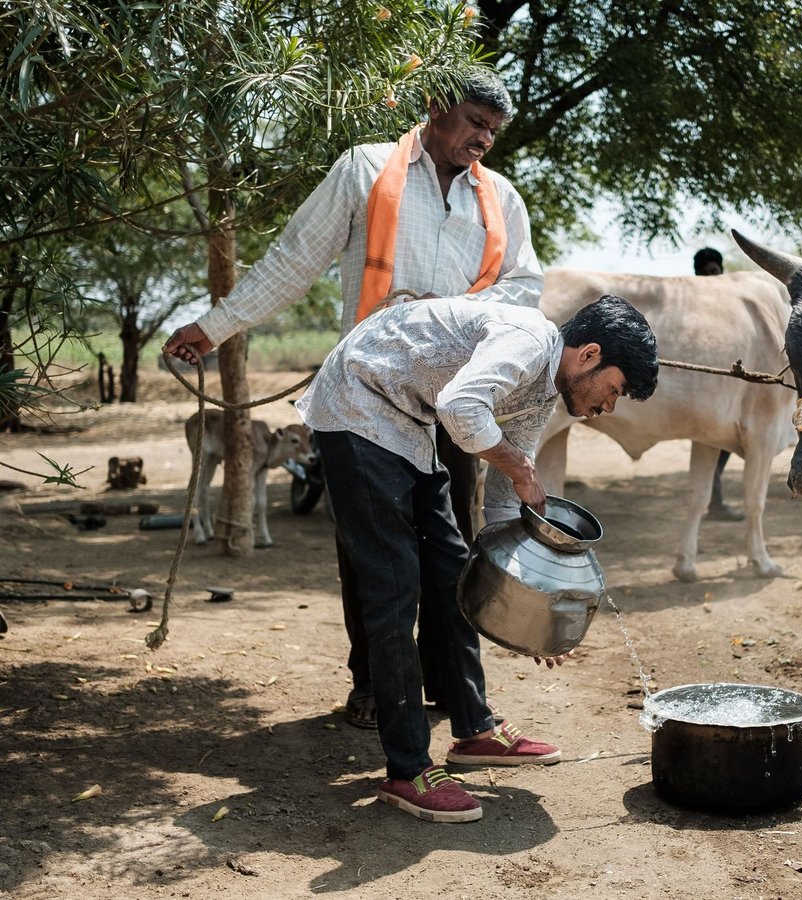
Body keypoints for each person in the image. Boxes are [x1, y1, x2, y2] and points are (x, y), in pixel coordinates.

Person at [164, 70, 541, 729]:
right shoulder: (364, 169)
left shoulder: (503, 200)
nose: (484, 137)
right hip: (364, 405)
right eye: (474, 121)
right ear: (436, 108)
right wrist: (213, 326)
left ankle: (453, 688)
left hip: (454, 405)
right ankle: (373, 687)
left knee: (450, 551)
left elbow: (524, 291)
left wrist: (449, 313)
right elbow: (293, 259)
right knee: (373, 557)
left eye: (493, 129)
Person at [295, 293, 658, 821]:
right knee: (395, 587)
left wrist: (528, 605)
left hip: (407, 423)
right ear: (589, 354)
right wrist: (518, 464)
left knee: (452, 570)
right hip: (357, 404)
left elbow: (503, 504)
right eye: (615, 389)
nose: (609, 406)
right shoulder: (529, 342)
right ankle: (408, 770)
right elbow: (461, 406)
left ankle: (473, 730)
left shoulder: (540, 394)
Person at [692, 247, 744, 522]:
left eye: (717, 271)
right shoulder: (695, 301)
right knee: (710, 445)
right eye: (708, 272)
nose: (714, 276)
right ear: (699, 274)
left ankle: (712, 502)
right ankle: (711, 504)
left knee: (719, 449)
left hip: (727, 388)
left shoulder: (731, 301)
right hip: (704, 391)